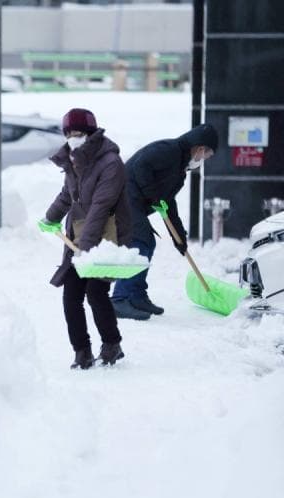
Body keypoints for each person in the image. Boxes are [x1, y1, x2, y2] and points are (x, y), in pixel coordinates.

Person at [39, 108, 132, 369]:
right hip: (79, 235)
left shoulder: (110, 163)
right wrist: (50, 218)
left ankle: (112, 344)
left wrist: (86, 248)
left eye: (78, 133)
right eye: (68, 133)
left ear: (91, 133)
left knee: (96, 292)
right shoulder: (74, 160)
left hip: (106, 236)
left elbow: (101, 208)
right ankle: (82, 351)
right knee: (71, 295)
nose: (72, 138)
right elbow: (67, 195)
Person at [110, 124, 218, 320]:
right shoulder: (168, 150)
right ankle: (119, 298)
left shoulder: (179, 171)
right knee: (139, 242)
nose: (204, 160)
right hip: (123, 195)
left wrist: (180, 239)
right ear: (201, 148)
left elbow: (168, 204)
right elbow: (141, 165)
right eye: (206, 156)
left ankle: (136, 296)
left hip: (134, 200)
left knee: (147, 243)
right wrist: (154, 196)